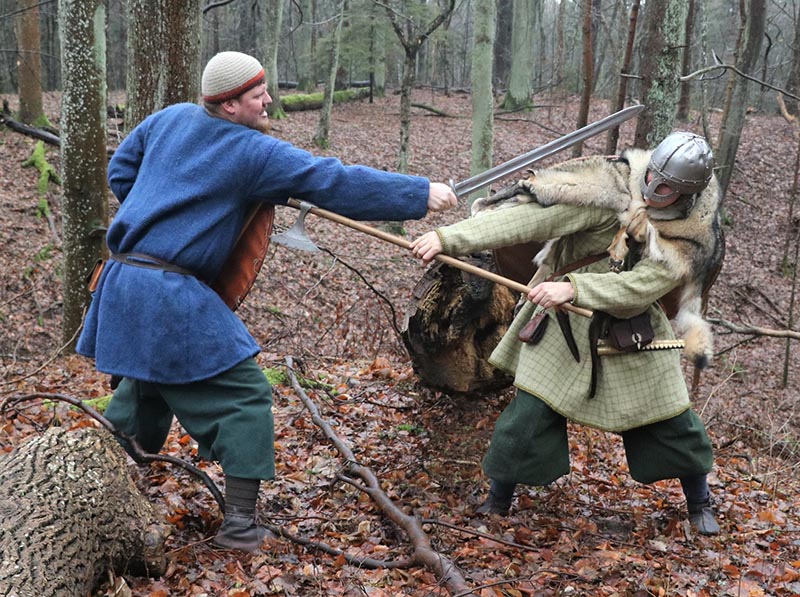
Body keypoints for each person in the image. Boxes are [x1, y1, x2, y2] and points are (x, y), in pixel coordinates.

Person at [77, 51, 457, 553]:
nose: (269, 100)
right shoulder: (253, 152)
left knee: (146, 390)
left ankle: (93, 498)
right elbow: (334, 180)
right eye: (259, 95)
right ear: (230, 105)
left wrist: (166, 206)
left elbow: (122, 171)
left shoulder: (168, 119)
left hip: (122, 282)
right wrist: (418, 193)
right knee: (245, 395)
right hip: (165, 294)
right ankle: (238, 528)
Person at [410, 132, 723, 536]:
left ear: (686, 195)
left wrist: (577, 288)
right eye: (651, 178)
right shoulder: (611, 193)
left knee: (670, 417)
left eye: (664, 188)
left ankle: (700, 501)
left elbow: (643, 286)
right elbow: (533, 219)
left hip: (632, 328)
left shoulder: (690, 236)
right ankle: (497, 500)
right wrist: (449, 238)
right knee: (528, 414)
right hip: (562, 324)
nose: (651, 190)